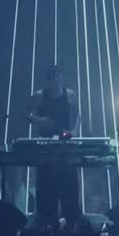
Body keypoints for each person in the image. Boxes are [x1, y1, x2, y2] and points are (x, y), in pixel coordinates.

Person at [27, 64, 80, 223]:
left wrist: (74, 132)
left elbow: (78, 115)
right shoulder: (39, 96)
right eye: (52, 77)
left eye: (58, 77)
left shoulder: (69, 94)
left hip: (65, 147)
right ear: (48, 80)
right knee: (46, 193)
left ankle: (70, 223)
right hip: (46, 149)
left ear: (61, 78)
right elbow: (26, 114)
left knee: (69, 191)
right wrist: (40, 121)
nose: (56, 80)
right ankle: (46, 222)